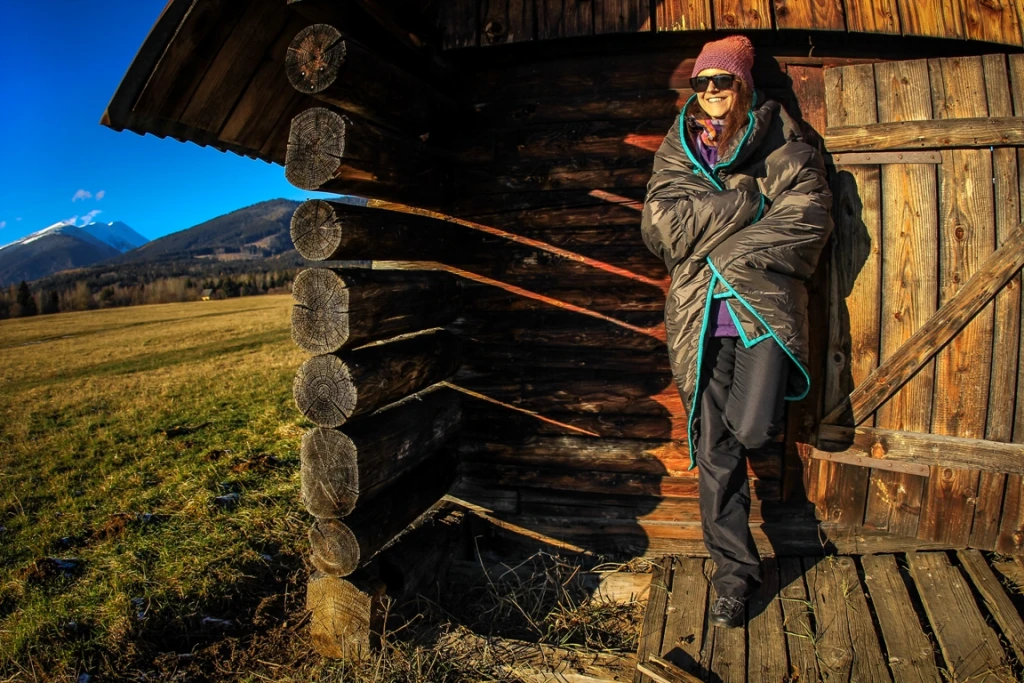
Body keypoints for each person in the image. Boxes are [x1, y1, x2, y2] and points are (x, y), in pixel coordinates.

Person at [640, 35, 832, 628]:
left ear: (742, 85)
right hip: (699, 319)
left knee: (752, 428)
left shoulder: (784, 144)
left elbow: (806, 220)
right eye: (701, 83)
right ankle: (733, 577)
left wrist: (725, 248)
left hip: (759, 315)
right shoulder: (678, 150)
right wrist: (746, 200)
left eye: (721, 82)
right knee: (716, 455)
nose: (710, 93)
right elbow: (663, 231)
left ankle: (740, 566)